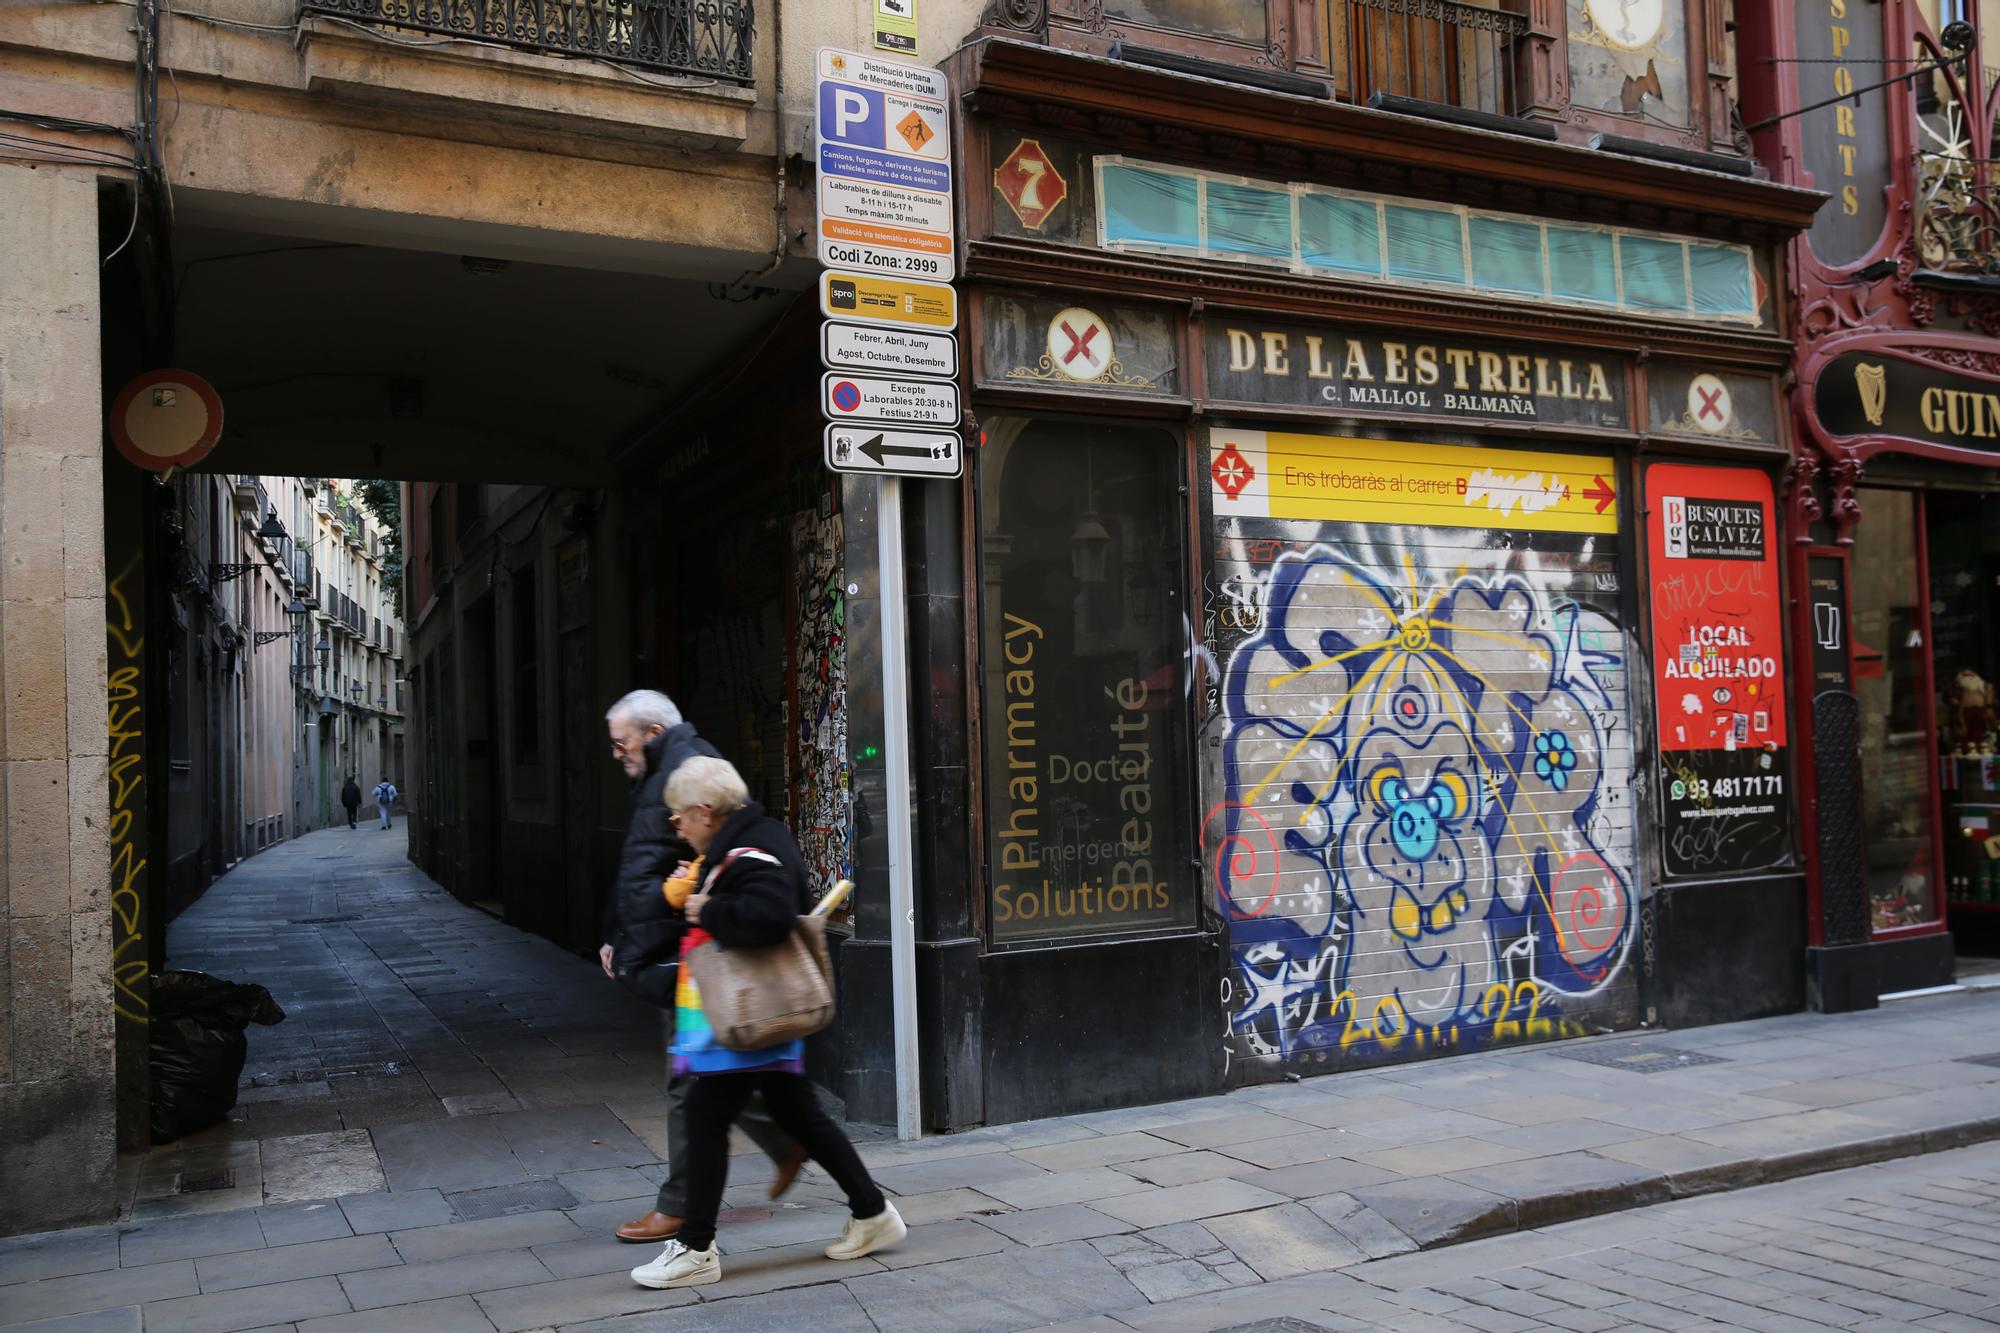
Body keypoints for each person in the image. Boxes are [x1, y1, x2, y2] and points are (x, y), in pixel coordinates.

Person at [630, 756, 904, 1290]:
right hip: (752, 1015)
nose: (676, 826)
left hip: (741, 1020)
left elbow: (769, 915)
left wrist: (704, 909)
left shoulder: (750, 848)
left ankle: (694, 1246)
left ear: (705, 812)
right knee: (799, 1116)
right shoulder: (748, 838)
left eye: (679, 816)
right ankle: (872, 1213)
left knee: (705, 1123)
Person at [600, 691, 805, 1245]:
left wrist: (685, 907)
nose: (617, 755)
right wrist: (614, 934)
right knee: (710, 1067)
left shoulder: (691, 769)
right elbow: (638, 861)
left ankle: (681, 1210)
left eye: (622, 743)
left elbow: (701, 857)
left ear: (650, 732)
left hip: (687, 945)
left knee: (690, 1076)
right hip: (667, 941)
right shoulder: (659, 770)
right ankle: (793, 1139)